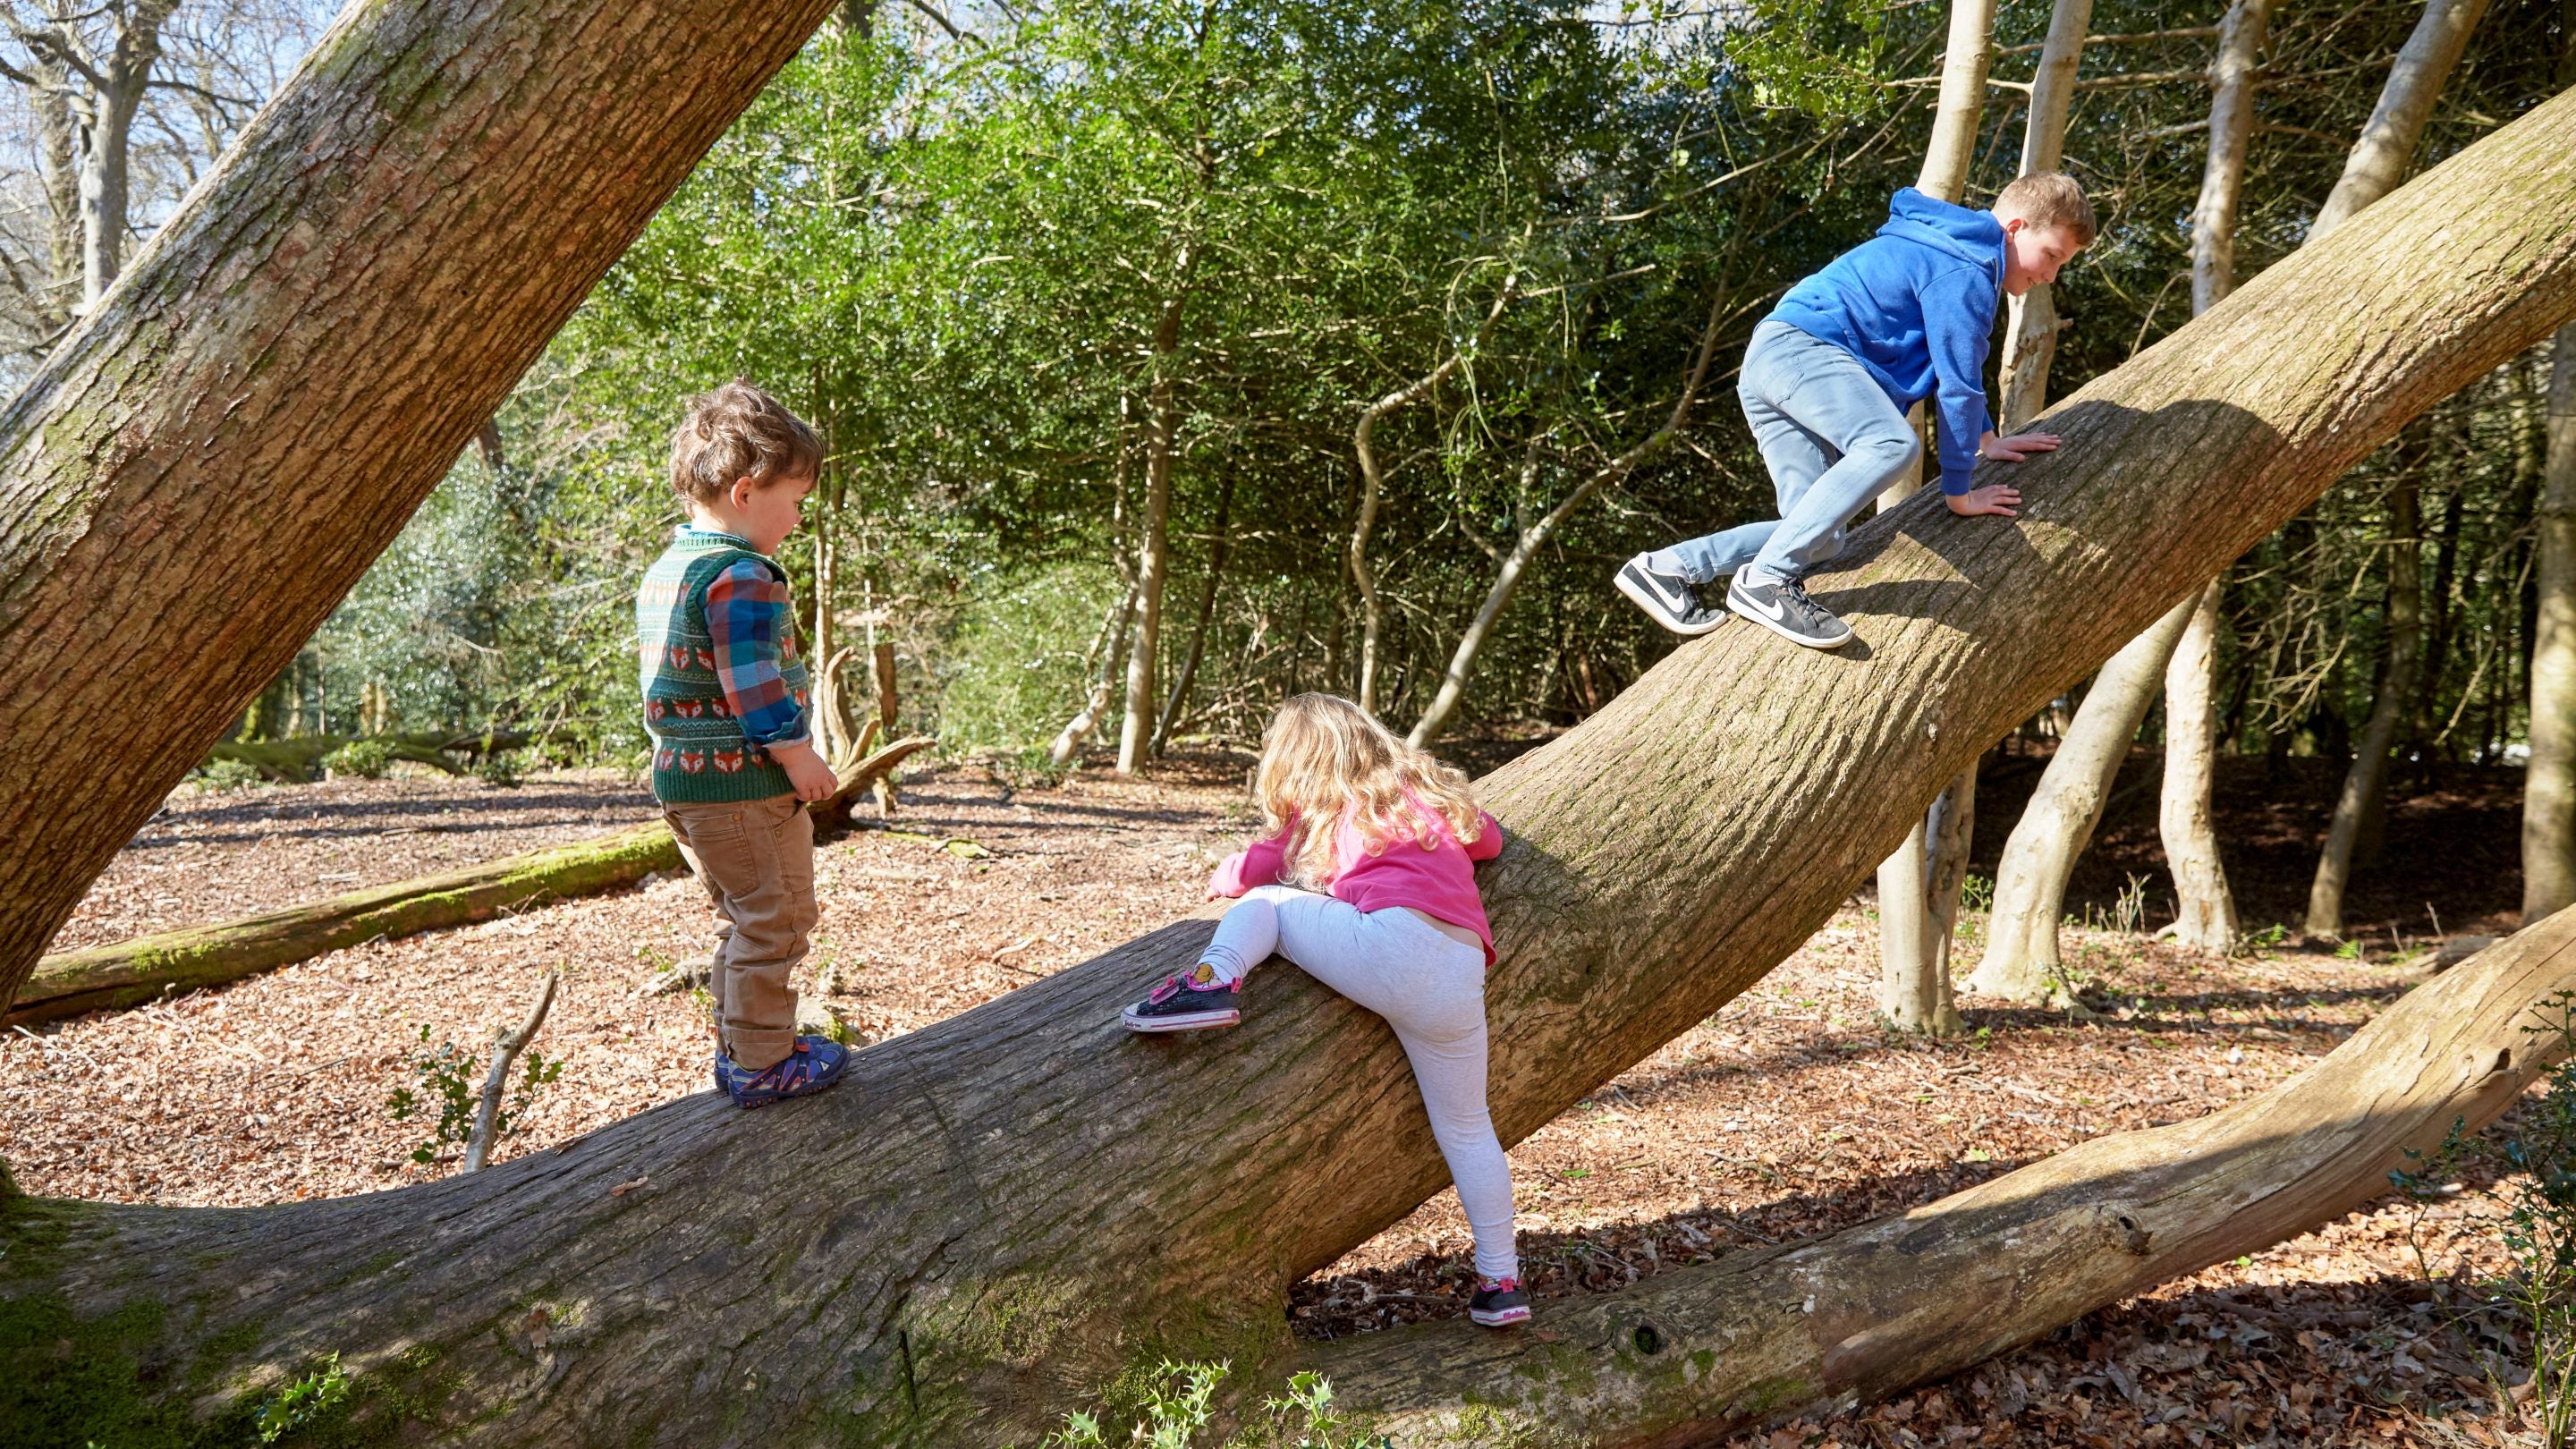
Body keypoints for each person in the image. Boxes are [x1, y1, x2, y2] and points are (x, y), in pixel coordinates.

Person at [1121, 694, 1530, 1327]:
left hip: (1389, 946)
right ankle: (1501, 1281)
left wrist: (1225, 873)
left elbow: (1257, 871)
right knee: (1469, 1126)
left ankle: (1212, 980)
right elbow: (1492, 840)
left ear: (1296, 761)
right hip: (1459, 970)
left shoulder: (1322, 808)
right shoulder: (1422, 796)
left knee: (1270, 905)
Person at [1614, 172, 2096, 649]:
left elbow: (1955, 368)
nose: (2050, 275)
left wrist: (1987, 439)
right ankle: (1766, 580)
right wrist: (1959, 493)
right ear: (2014, 228)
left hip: (1772, 361)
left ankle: (1667, 569)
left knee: (1820, 537)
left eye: (2062, 265)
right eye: (2051, 255)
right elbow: (1958, 386)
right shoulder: (1968, 267)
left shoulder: (1951, 251)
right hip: (1805, 351)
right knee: (1890, 445)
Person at [637, 380, 849, 1108]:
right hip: (744, 785)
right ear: (745, 490)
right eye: (794, 499)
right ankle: (762, 1063)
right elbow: (754, 682)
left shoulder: (669, 570)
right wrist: (798, 754)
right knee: (779, 917)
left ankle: (742, 1049)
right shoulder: (741, 573)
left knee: (745, 915)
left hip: (686, 781)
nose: (796, 518)